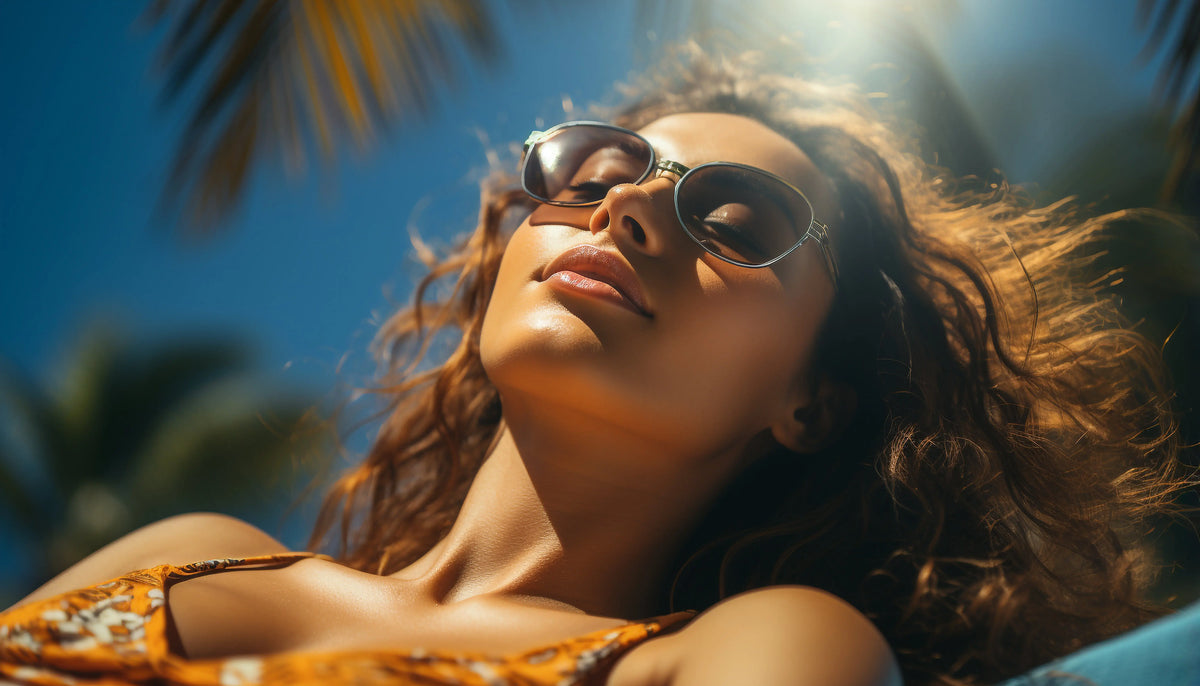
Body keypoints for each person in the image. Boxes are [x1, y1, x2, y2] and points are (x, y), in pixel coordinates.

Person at [0, 47, 1189, 686]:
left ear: (811, 401)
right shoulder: (181, 552)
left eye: (735, 218)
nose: (627, 208)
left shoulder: (761, 649)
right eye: (593, 172)